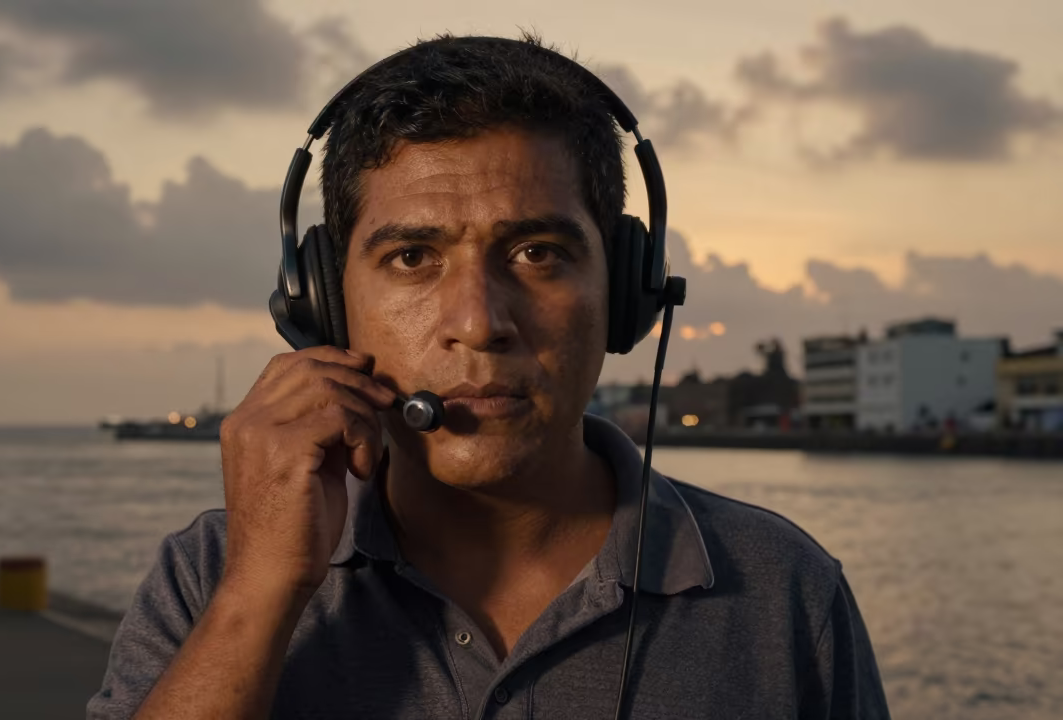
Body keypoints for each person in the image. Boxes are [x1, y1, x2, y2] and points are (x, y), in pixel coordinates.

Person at [88, 34, 890, 719]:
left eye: (537, 253)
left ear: (627, 290)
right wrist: (259, 595)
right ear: (323, 306)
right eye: (413, 258)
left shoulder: (784, 588)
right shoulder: (216, 571)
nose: (477, 322)